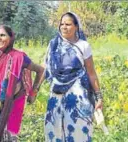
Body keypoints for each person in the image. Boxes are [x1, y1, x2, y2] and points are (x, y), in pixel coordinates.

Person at [0, 25, 44, 141]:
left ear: (11, 38)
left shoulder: (19, 57)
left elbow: (41, 71)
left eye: (2, 35)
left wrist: (33, 92)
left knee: (10, 137)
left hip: (14, 103)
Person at [43, 12, 103, 142]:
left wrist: (99, 97)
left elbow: (91, 73)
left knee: (78, 129)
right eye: (62, 24)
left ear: (76, 26)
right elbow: (45, 68)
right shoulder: (53, 45)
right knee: (54, 129)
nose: (64, 27)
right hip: (56, 94)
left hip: (78, 94)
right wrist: (34, 89)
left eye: (68, 24)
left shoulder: (83, 45)